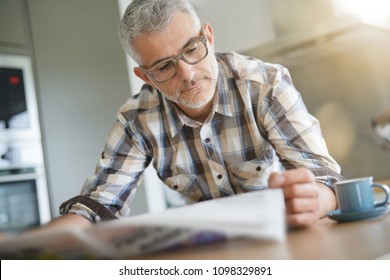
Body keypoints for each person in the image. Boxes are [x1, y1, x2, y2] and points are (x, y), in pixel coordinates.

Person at [51, 0, 345, 230]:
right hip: (211, 248)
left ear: (209, 37)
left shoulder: (266, 86)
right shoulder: (137, 121)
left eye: (191, 48)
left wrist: (313, 200)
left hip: (289, 234)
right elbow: (96, 208)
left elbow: (327, 179)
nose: (187, 74)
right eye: (165, 67)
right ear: (146, 77)